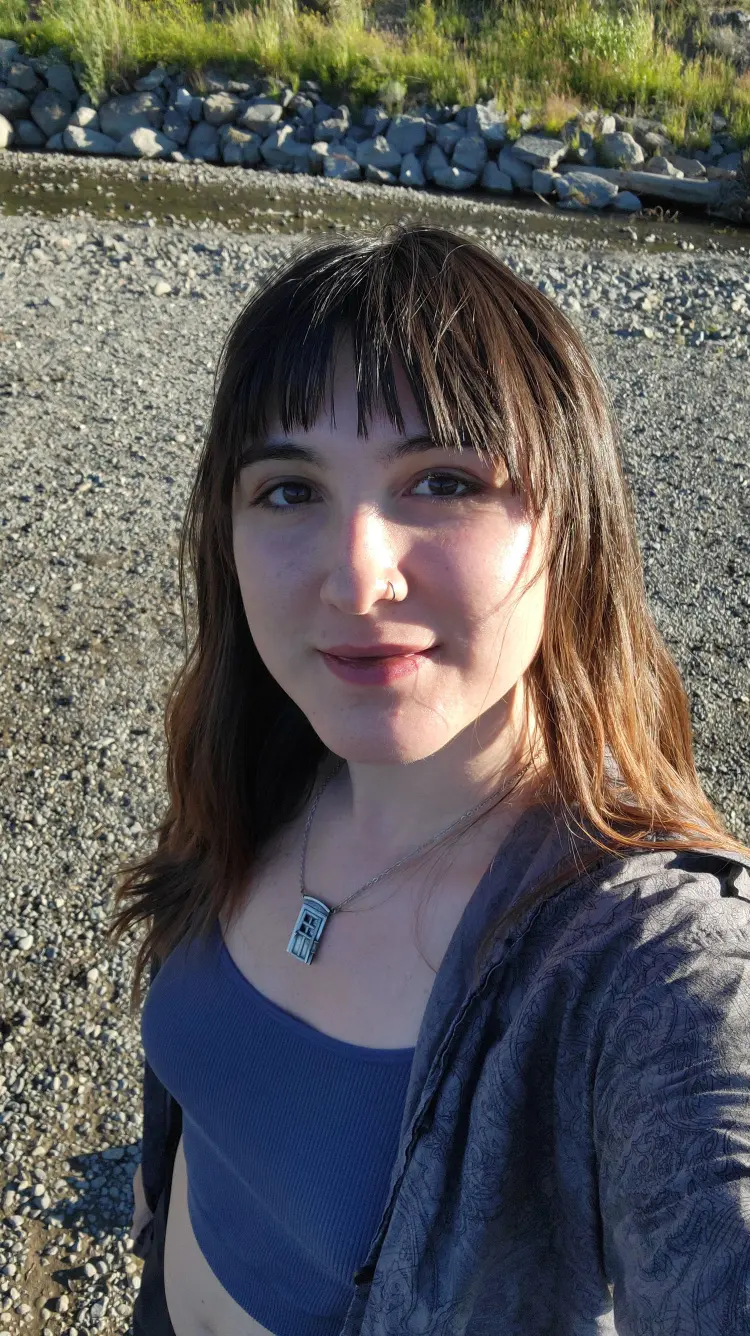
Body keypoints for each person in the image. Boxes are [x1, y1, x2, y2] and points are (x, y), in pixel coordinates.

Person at [108, 221, 750, 1336]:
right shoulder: (260, 766)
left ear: (571, 529)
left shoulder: (646, 968)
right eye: (289, 491)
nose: (357, 577)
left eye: (443, 480)